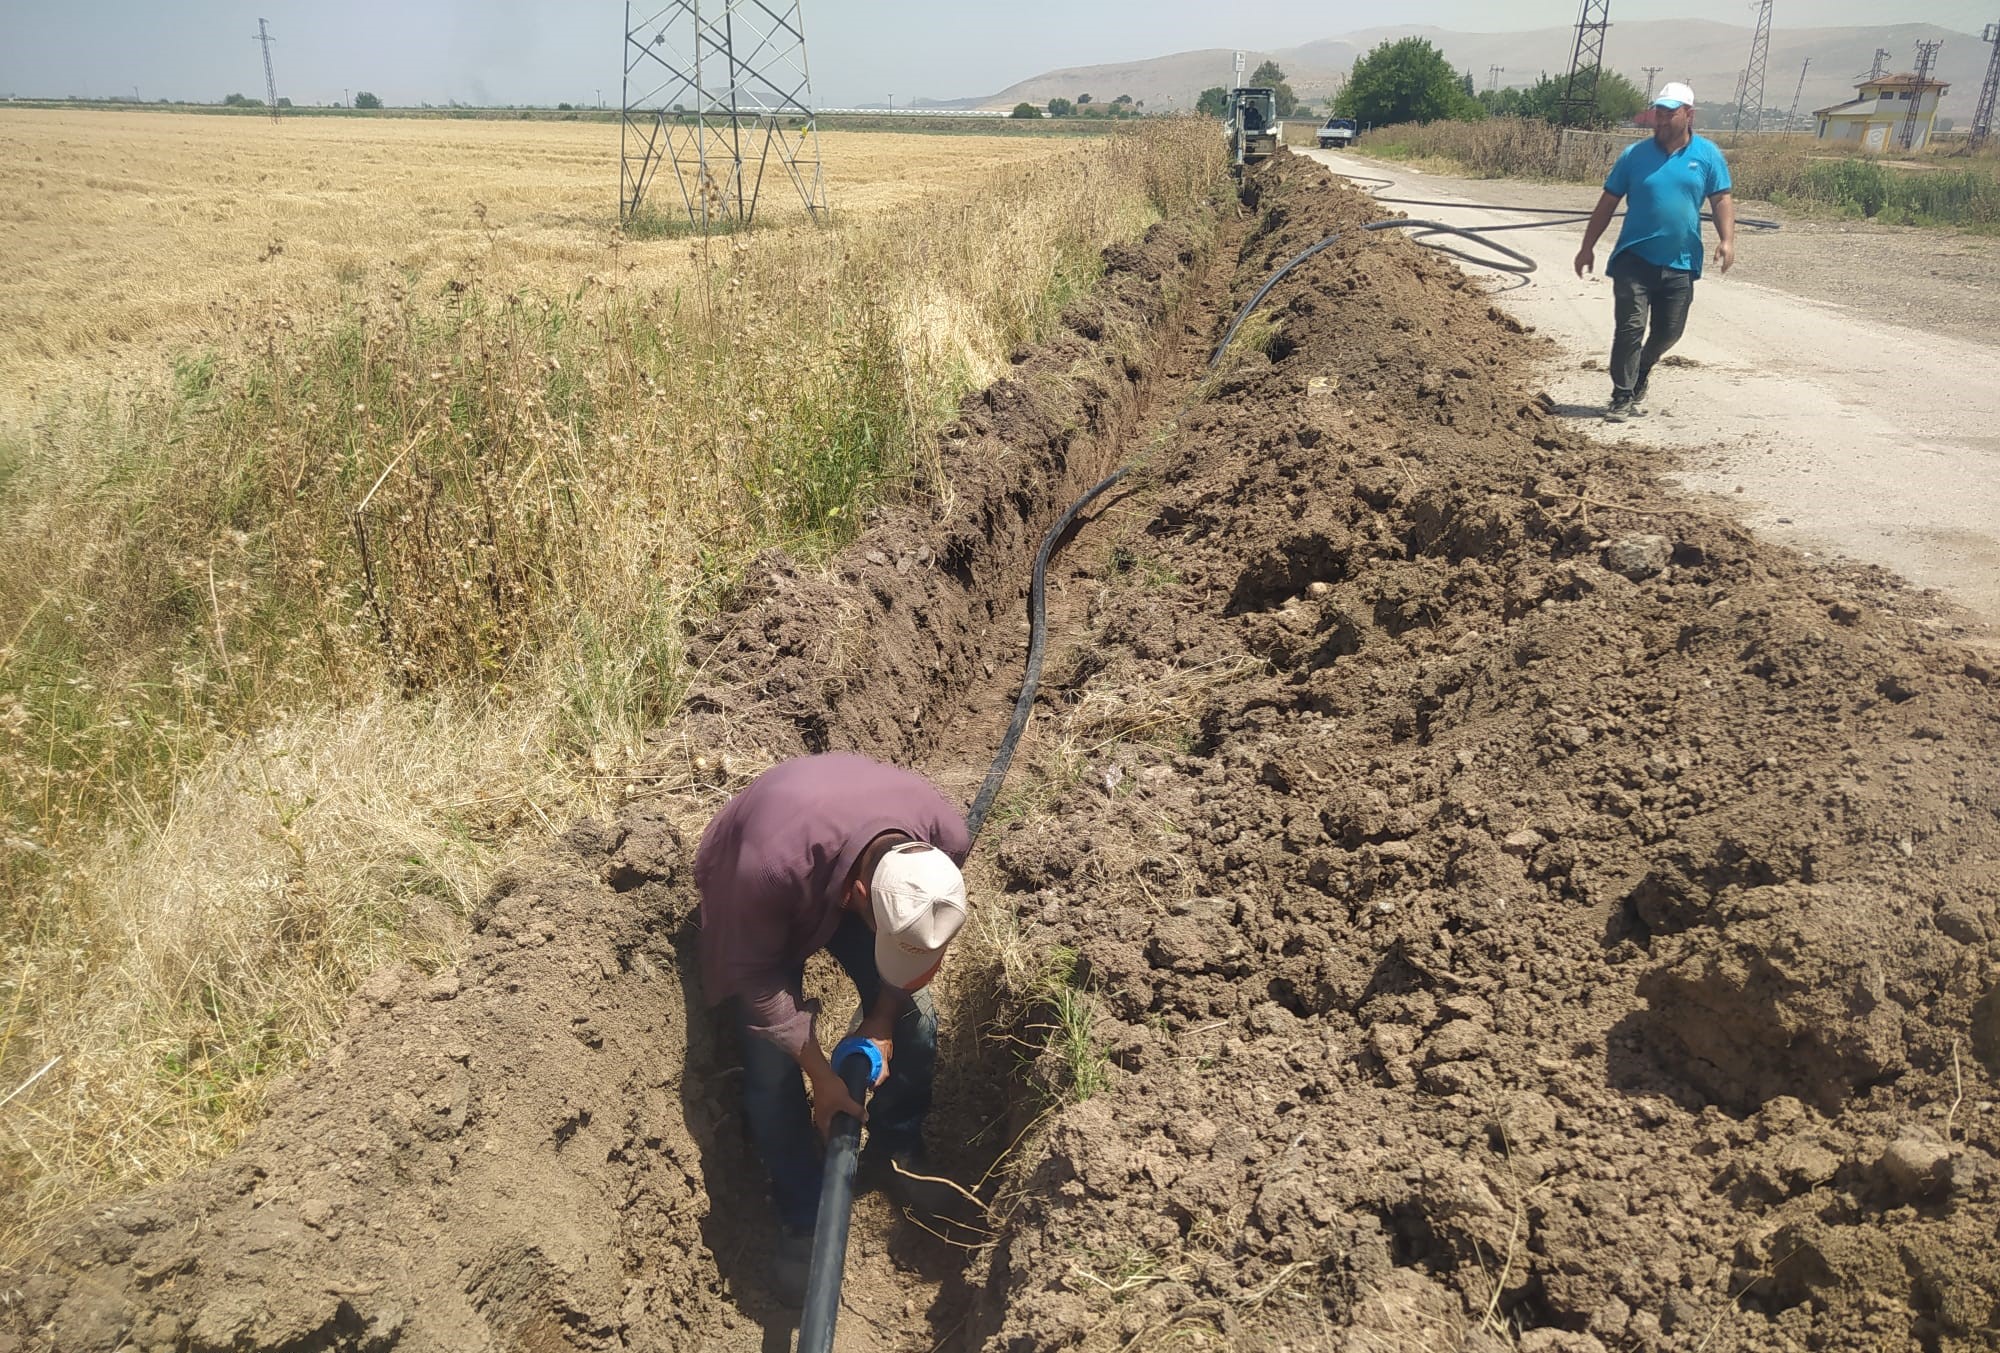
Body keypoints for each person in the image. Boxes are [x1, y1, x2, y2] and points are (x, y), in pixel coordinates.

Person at [694, 752, 970, 1304]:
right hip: (767, 876)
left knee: (916, 1020)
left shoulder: (946, 841)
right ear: (860, 899)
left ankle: (897, 1151)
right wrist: (822, 1079)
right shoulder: (764, 871)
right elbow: (758, 984)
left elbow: (912, 953)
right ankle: (803, 1213)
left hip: (844, 861)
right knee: (771, 1068)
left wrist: (884, 1017)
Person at [1573, 81, 1736, 422]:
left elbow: (1721, 198)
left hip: (1681, 260)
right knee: (1630, 327)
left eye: (1669, 113)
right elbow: (1608, 202)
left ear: (1688, 115)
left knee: (1669, 332)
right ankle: (1621, 395)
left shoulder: (1707, 155)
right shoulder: (1634, 156)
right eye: (1658, 113)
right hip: (1634, 258)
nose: (1660, 120)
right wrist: (1587, 247)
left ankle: (1643, 367)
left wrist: (1727, 240)